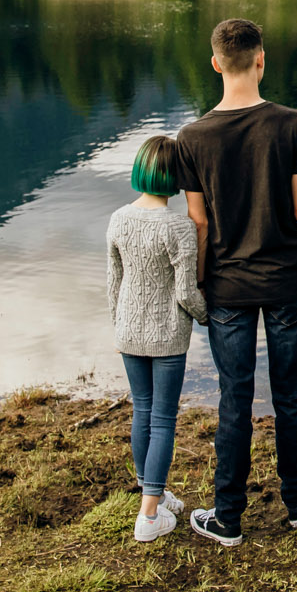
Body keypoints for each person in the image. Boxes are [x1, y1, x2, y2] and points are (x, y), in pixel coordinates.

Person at [174, 18, 297, 547]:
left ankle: (228, 516)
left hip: (227, 287)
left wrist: (199, 284)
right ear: (262, 60)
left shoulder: (192, 137)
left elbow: (198, 224)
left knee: (234, 397)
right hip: (287, 282)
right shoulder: (294, 124)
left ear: (216, 63)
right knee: (293, 394)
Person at [105, 134, 207, 542]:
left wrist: (119, 324)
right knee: (163, 418)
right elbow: (185, 293)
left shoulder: (118, 219)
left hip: (128, 330)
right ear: (176, 178)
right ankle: (148, 516)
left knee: (141, 411)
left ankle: (156, 494)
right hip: (167, 335)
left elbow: (114, 284)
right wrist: (207, 316)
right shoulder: (180, 227)